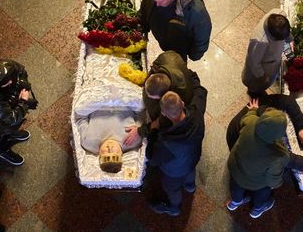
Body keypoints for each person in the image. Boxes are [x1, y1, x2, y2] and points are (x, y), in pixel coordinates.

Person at [226, 99, 303, 218]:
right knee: (262, 192)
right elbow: (293, 162)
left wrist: (253, 110)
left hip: (235, 167)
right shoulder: (278, 154)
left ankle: (235, 202)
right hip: (256, 182)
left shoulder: (251, 123)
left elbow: (248, 117)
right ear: (279, 134)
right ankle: (257, 209)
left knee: (236, 186)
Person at [145, 82, 207, 217]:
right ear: (183, 103)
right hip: (193, 159)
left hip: (174, 172)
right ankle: (190, 186)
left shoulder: (166, 142)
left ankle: (174, 208)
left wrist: (153, 132)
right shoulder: (197, 113)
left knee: (172, 189)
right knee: (190, 171)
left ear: (164, 113)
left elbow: (152, 159)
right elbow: (201, 91)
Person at [139, 0, 212, 62]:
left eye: (161, 2)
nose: (157, 5)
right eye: (155, 1)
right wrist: (143, 24)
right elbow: (145, 5)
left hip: (178, 51)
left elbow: (202, 38)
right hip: (163, 35)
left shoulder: (196, 13)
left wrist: (194, 55)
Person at [128, 51, 195, 141]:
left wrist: (140, 131)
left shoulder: (178, 98)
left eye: (152, 97)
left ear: (164, 96)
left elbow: (163, 121)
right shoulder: (166, 57)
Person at [225, 93, 303, 151]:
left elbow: (287, 101)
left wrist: (301, 127)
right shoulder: (260, 145)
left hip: (234, 138)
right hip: (238, 148)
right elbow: (286, 158)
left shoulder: (258, 106)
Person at [242, 11, 293, 96]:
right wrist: (262, 77)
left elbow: (287, 35)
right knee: (256, 86)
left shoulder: (279, 14)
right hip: (264, 66)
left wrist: (289, 39)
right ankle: (255, 94)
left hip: (273, 59)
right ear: (271, 36)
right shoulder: (259, 41)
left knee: (269, 79)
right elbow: (254, 63)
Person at [75, 109, 142, 173]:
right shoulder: (135, 140)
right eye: (114, 152)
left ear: (99, 155)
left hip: (97, 101)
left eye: (106, 153)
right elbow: (140, 115)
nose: (110, 148)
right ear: (121, 154)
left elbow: (81, 117)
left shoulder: (87, 142)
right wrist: (139, 129)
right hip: (125, 101)